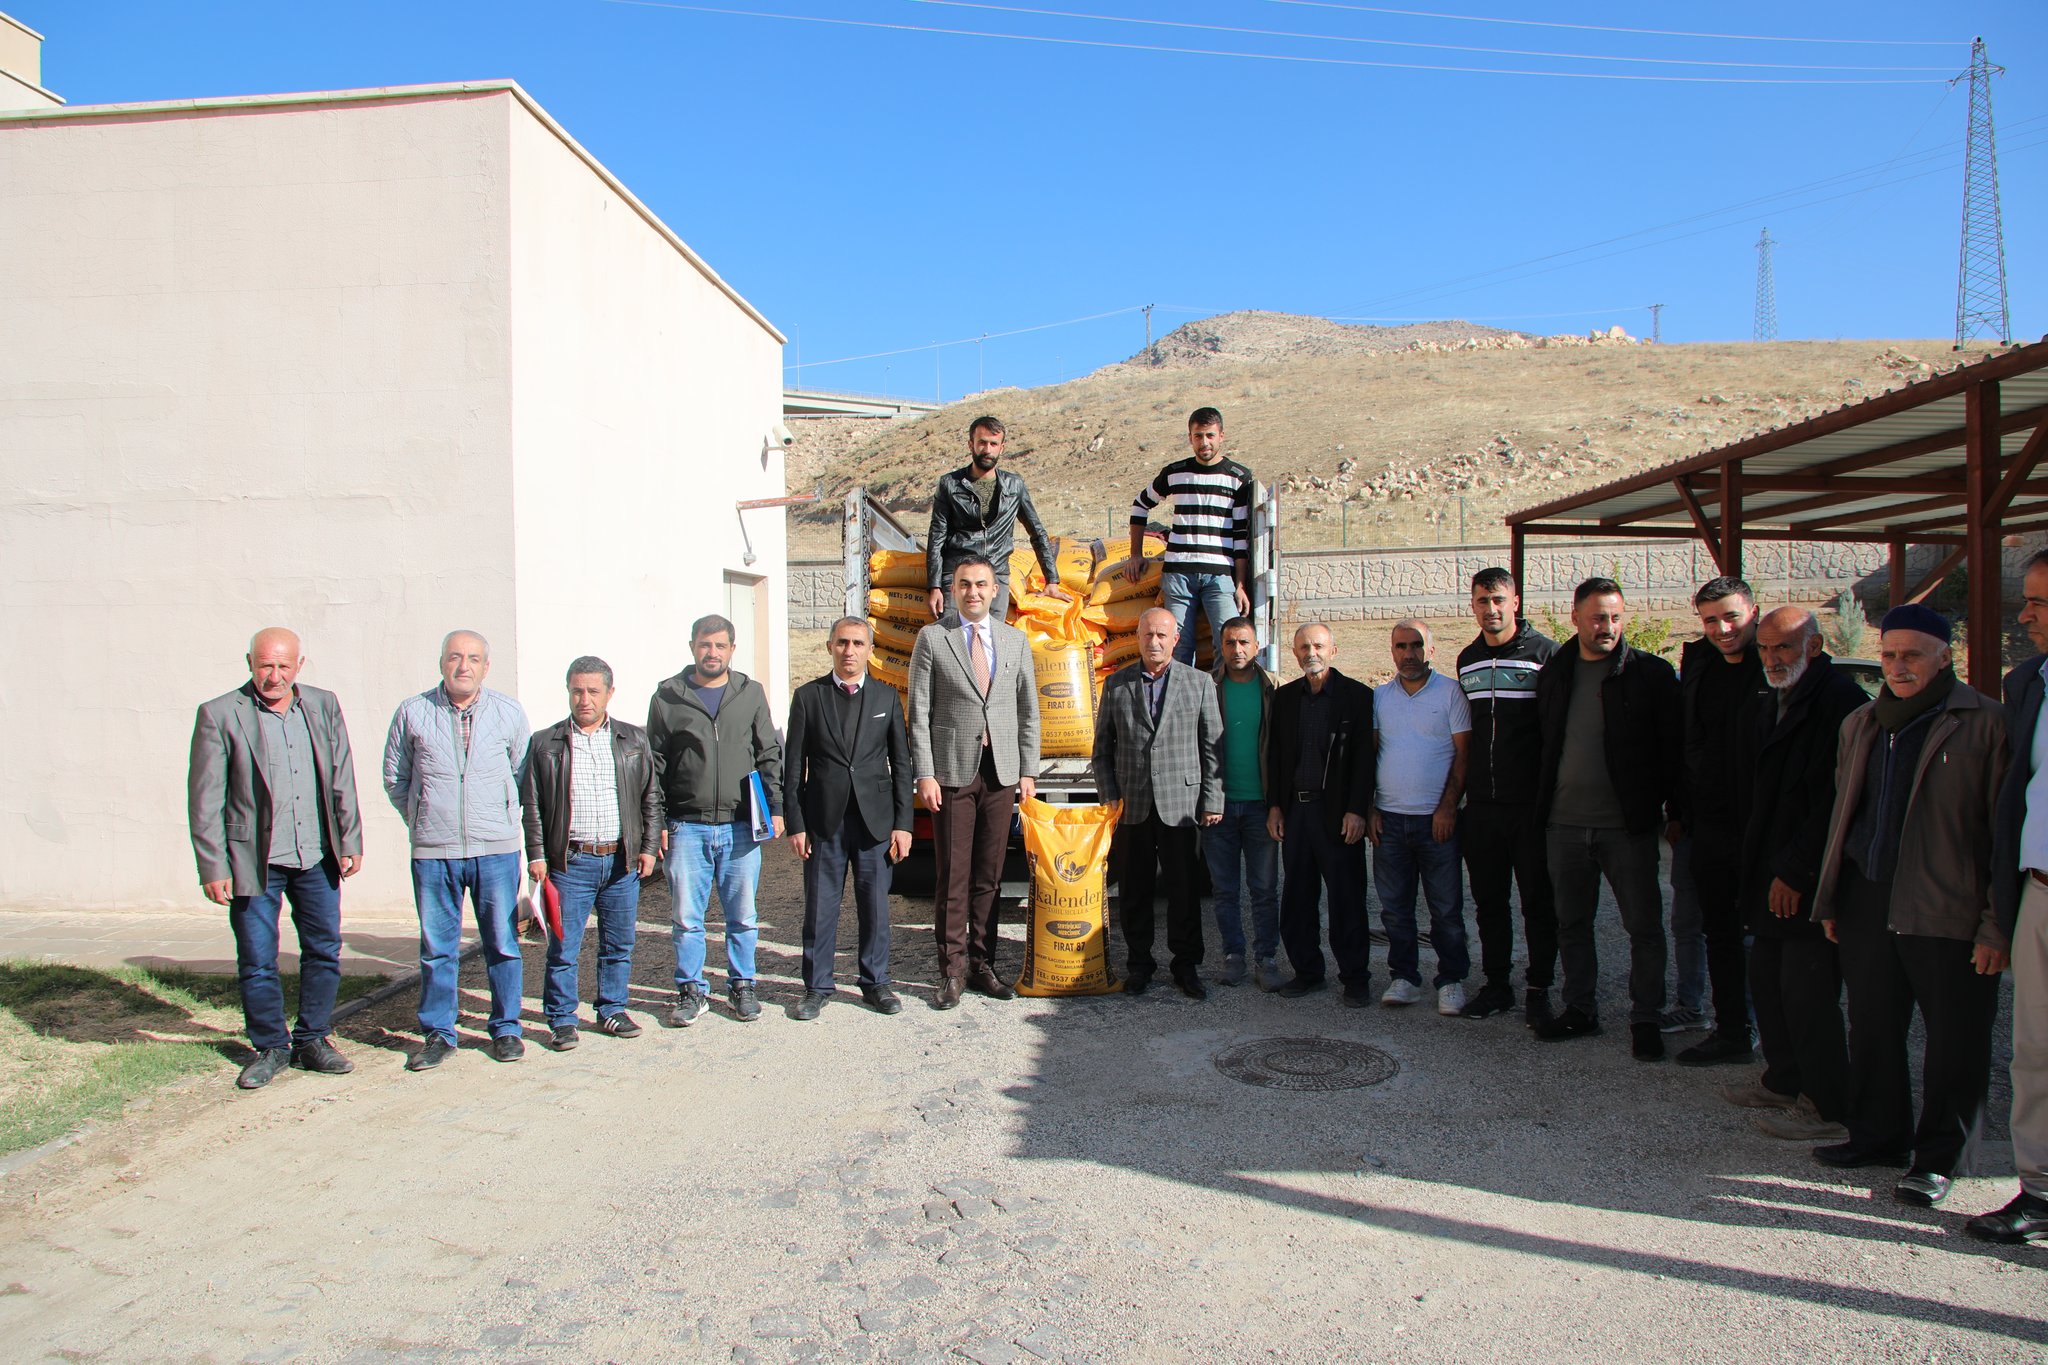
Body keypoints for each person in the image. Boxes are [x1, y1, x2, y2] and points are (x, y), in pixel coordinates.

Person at [1810, 605, 2009, 1208]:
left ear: (1945, 658)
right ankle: (1878, 1136)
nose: (1898, 666)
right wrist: (1833, 897)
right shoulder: (1863, 723)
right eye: (1890, 655)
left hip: (1948, 905)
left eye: (1912, 655)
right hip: (1869, 896)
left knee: (1956, 1039)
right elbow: (1847, 815)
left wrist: (1995, 923)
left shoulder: (1985, 724)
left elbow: (2002, 832)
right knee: (1871, 1024)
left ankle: (1940, 1159)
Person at [187, 627, 364, 1089]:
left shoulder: (323, 705)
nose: (274, 675)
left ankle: (313, 1039)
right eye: (266, 665)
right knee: (258, 957)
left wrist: (349, 838)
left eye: (284, 666)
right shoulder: (220, 714)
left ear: (299, 666)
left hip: (316, 855)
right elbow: (205, 800)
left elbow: (341, 774)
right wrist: (213, 865)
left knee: (324, 949)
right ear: (249, 662)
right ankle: (270, 1046)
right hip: (254, 860)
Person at [1726, 610, 1864, 1148]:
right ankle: (1784, 1079)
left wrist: (1796, 871)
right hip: (1768, 865)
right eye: (1765, 649)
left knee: (1809, 992)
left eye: (1783, 648)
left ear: (1815, 645)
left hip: (1805, 874)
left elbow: (1832, 802)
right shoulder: (1773, 697)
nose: (1772, 659)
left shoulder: (1839, 702)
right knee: (1769, 979)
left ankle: (1828, 1103)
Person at [1532, 578, 1683, 1060]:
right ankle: (1581, 1009)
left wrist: (1672, 811)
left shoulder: (1651, 675)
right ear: (1575, 617)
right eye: (1598, 617)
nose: (1608, 627)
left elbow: (1672, 751)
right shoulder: (1556, 672)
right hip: (1565, 824)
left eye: (1616, 617)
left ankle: (1646, 1018)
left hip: (1627, 828)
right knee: (1572, 923)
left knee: (1643, 927)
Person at [383, 630, 531, 1070]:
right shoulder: (413, 713)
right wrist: (425, 818)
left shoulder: (508, 713)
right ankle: (438, 1033)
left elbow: (523, 776)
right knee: (437, 947)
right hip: (434, 852)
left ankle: (506, 1028)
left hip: (496, 850)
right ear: (442, 663)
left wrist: (500, 819)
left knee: (502, 942)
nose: (463, 666)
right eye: (454, 657)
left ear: (486, 666)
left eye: (473, 658)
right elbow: (396, 779)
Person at [907, 555, 1040, 1009]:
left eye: (981, 584)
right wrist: (924, 772)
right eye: (964, 584)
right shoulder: (933, 638)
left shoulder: (1014, 641)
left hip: (1000, 774)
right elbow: (919, 712)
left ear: (995, 589)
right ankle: (953, 970)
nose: (973, 592)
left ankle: (984, 964)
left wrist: (1027, 770)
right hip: (951, 773)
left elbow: (1027, 711)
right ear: (953, 589)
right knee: (953, 877)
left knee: (991, 876)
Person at [520, 655, 662, 1050]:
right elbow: (531, 804)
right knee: (563, 946)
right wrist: (536, 854)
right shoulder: (545, 743)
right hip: (570, 863)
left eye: (593, 691)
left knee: (618, 943)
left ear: (609, 693)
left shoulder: (634, 740)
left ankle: (612, 1009)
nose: (584, 699)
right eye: (577, 690)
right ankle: (562, 1019)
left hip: (620, 862)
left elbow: (651, 797)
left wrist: (648, 847)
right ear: (568, 691)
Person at [648, 614, 783, 1026]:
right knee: (687, 918)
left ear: (732, 649)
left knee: (742, 915)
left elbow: (769, 753)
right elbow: (654, 764)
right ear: (693, 647)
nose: (712, 652)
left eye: (720, 645)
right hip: (687, 827)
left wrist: (776, 809)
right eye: (705, 645)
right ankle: (691, 991)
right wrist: (656, 825)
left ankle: (742, 986)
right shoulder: (668, 696)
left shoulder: (750, 692)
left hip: (741, 825)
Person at [783, 618, 914, 1019]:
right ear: (829, 647)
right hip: (824, 821)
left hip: (875, 822)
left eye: (858, 643)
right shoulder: (808, 697)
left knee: (875, 905)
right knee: (821, 907)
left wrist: (903, 824)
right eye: (842, 643)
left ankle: (875, 982)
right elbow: (792, 768)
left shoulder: (886, 698)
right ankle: (817, 986)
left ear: (870, 649)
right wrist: (796, 823)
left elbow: (902, 764)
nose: (849, 650)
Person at [1094, 606, 1224, 999]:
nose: (1154, 642)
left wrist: (1212, 798)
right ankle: (1139, 966)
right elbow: (1101, 751)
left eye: (1162, 635)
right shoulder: (1116, 685)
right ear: (1137, 638)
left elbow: (1212, 747)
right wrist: (1110, 797)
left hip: (1180, 805)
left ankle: (1186, 967)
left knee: (1184, 890)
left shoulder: (1198, 683)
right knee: (1134, 890)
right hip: (1132, 805)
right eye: (1147, 634)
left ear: (1175, 639)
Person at [1670, 577, 1769, 1052]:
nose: (1722, 628)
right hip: (1707, 823)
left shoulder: (1773, 668)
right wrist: (1679, 808)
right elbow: (1685, 741)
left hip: (1761, 827)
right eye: (1711, 619)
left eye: (1731, 616)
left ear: (1753, 611)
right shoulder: (1701, 666)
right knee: (1720, 934)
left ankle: (1769, 1032)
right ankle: (1732, 1032)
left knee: (1762, 937)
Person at [1456, 568, 1559, 1024]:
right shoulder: (1467, 660)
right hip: (1482, 805)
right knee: (1489, 901)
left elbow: (1556, 733)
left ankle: (1539, 987)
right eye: (1482, 601)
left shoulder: (1546, 656)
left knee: (1538, 900)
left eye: (1498, 599)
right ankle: (1497, 984)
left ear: (1515, 602)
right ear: (1473, 605)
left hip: (1531, 805)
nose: (1491, 609)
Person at [1982, 549, 2048, 1244]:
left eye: (2038, 601)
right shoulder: (2027, 682)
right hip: (2038, 894)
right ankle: (2040, 1187)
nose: (2024, 612)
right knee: (2033, 1051)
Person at [1266, 623, 1377, 1004]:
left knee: (1346, 898)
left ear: (1333, 649)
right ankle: (1308, 971)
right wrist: (1276, 806)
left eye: (1318, 645)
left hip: (1337, 816)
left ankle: (1355, 977)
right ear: (1294, 654)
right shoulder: (1285, 699)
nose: (1310, 652)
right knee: (1297, 897)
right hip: (1296, 813)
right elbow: (1276, 757)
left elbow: (1365, 760)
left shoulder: (1357, 697)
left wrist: (1356, 810)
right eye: (1303, 647)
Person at [1370, 620, 1471, 1015]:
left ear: (1431, 650)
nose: (1408, 654)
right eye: (1401, 646)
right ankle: (1405, 977)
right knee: (1395, 907)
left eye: (1416, 646)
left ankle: (1450, 979)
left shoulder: (1450, 693)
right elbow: (1372, 755)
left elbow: (1464, 754)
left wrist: (1448, 807)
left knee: (1445, 908)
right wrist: (1371, 807)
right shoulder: (1380, 697)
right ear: (1392, 651)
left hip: (1436, 821)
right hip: (1391, 821)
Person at [1127, 406, 1256, 666]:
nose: (1204, 442)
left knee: (1229, 643)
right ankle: (1180, 706)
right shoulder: (1174, 472)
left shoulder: (1239, 478)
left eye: (1209, 435)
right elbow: (1140, 506)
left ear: (1221, 436)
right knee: (1178, 648)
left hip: (1220, 575)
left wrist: (1240, 584)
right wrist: (1135, 554)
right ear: (1190, 438)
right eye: (1198, 436)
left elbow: (1241, 536)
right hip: (1178, 575)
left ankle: (1219, 705)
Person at [924, 416, 1064, 621]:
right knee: (953, 642)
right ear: (971, 444)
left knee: (993, 643)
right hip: (959, 574)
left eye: (993, 443)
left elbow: (1037, 532)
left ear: (1002, 447)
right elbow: (936, 537)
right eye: (982, 442)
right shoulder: (950, 484)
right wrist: (934, 586)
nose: (987, 449)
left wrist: (1052, 579)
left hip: (996, 574)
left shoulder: (1014, 486)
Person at [1205, 615, 1282, 989]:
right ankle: (1233, 956)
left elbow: (1283, 753)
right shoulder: (1209, 686)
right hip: (1218, 807)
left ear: (1257, 647)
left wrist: (1277, 804)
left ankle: (1266, 958)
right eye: (1231, 643)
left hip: (1260, 808)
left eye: (1244, 643)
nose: (1238, 650)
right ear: (1222, 646)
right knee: (1225, 890)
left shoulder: (1273, 689)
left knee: (1264, 889)